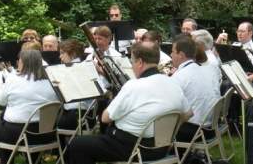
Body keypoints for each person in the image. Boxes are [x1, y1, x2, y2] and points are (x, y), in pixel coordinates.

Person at [64, 42, 192, 164]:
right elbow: (188, 114)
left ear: (140, 62)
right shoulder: (172, 83)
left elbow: (105, 118)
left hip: (135, 149)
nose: (132, 66)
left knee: (78, 144)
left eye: (132, 61)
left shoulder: (133, 86)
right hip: (163, 148)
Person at [0, 49, 59, 164]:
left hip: (21, 135)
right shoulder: (51, 81)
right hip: (48, 134)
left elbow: (1, 102)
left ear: (23, 62)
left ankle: (6, 161)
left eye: (19, 60)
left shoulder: (13, 79)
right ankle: (34, 160)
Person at [170, 35, 221, 153]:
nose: (171, 55)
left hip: (194, 131)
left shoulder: (179, 77)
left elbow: (169, 109)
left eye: (173, 51)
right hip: (212, 127)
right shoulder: (209, 69)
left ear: (181, 55)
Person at [56, 39, 96, 131]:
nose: (60, 56)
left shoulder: (68, 71)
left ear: (72, 53)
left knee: (49, 125)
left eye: (62, 53)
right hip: (89, 116)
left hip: (76, 116)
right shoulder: (87, 66)